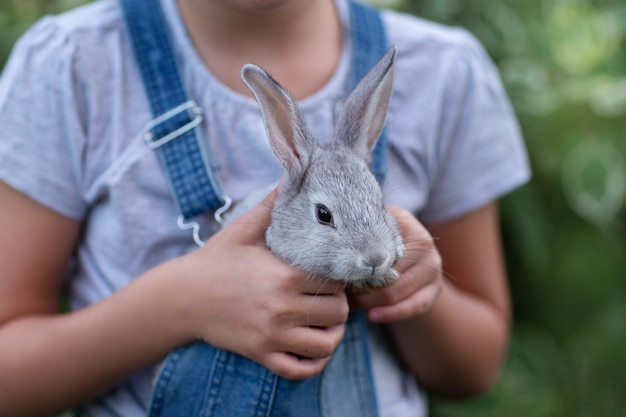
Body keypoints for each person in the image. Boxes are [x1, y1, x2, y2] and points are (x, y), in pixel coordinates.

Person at [0, 0, 530, 416]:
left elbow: (475, 368)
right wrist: (184, 303)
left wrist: (412, 289)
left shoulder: (442, 71)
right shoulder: (72, 65)